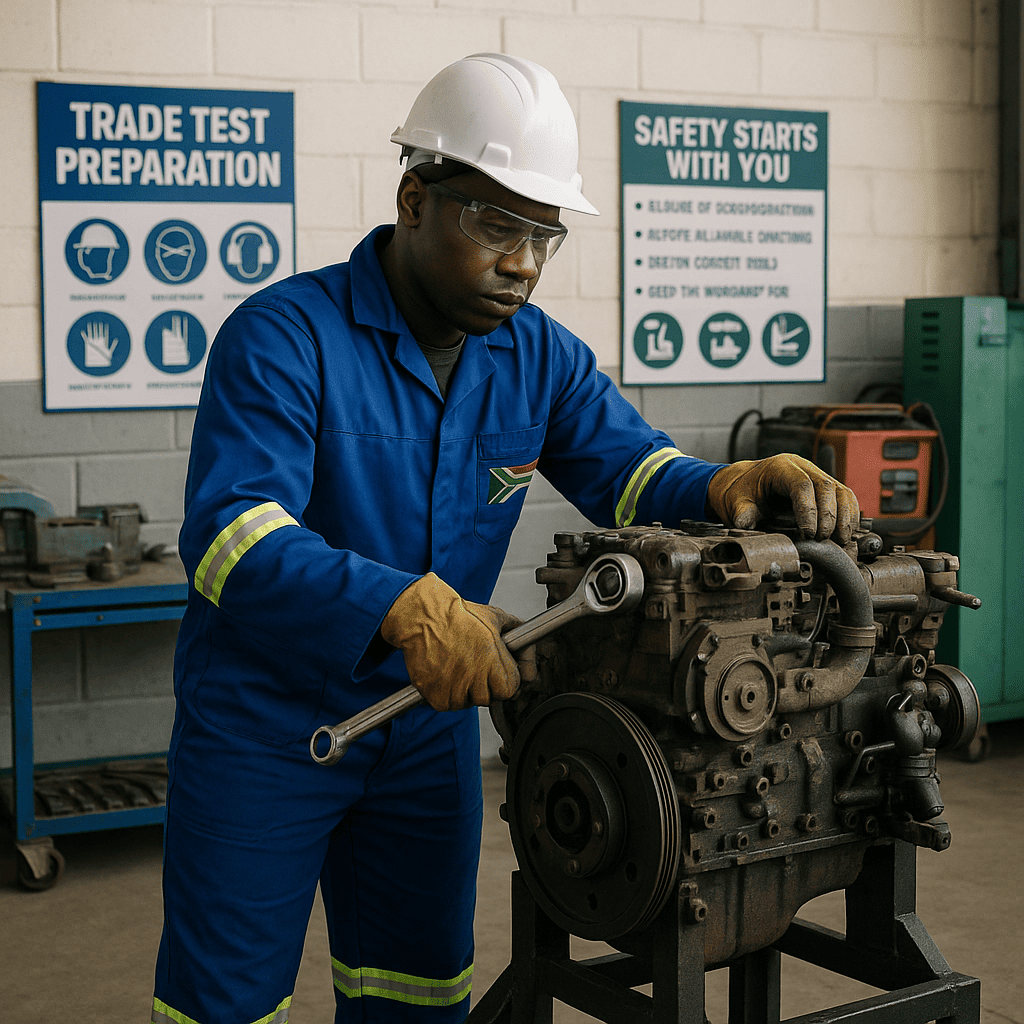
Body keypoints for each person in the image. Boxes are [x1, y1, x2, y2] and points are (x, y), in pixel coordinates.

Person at [151, 53, 858, 1024]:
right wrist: (397, 604)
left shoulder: (541, 359)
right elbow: (230, 536)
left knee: (419, 988)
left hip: (425, 726)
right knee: (223, 1002)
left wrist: (731, 484)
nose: (522, 261)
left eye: (544, 235)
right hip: (263, 729)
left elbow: (636, 478)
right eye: (494, 223)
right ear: (413, 199)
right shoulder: (284, 337)